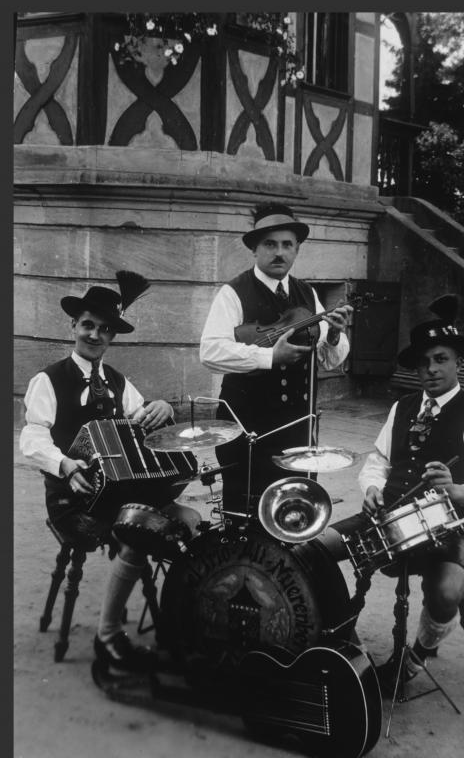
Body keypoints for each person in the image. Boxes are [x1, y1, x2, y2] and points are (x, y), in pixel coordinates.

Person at [339, 294, 464, 694]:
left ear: (458, 361)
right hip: (387, 514)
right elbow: (377, 460)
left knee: (445, 592)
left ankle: (417, 655)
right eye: (424, 362)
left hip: (447, 525)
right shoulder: (403, 407)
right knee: (317, 547)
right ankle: (337, 641)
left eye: (440, 359)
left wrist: (459, 489)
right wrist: (372, 487)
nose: (431, 369)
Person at [20, 271, 176, 672]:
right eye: (87, 325)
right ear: (74, 325)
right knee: (139, 532)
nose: (94, 335)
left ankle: (182, 625)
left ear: (112, 336)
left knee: (186, 521)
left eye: (104, 329)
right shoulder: (49, 380)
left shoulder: (120, 384)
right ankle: (109, 638)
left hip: (116, 494)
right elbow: (32, 439)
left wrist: (163, 410)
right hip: (70, 499)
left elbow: (140, 423)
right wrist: (65, 464)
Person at [199, 202, 353, 513]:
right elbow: (210, 351)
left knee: (294, 512)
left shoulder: (307, 294)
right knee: (245, 514)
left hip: (297, 426)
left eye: (287, 245)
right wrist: (269, 356)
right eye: (270, 244)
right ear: (254, 249)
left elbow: (327, 359)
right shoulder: (233, 293)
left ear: (297, 250)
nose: (279, 253)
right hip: (246, 430)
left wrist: (334, 335)